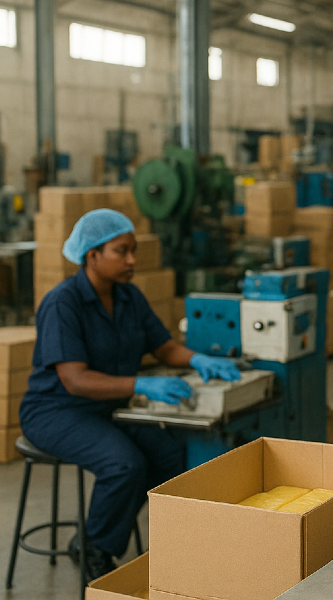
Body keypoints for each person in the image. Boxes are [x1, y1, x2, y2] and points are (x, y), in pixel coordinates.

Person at [19, 209, 242, 581]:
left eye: (133, 250)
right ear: (92, 255)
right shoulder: (64, 303)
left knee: (170, 455)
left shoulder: (129, 297)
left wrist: (201, 359)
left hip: (111, 405)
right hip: (57, 410)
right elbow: (75, 380)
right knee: (124, 464)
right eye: (121, 251)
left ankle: (169, 548)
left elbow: (164, 348)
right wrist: (141, 384)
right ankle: (94, 549)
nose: (132, 260)